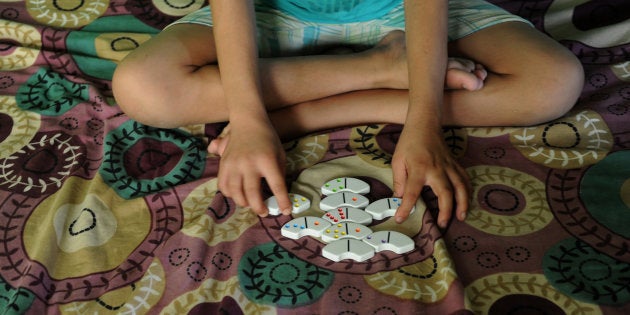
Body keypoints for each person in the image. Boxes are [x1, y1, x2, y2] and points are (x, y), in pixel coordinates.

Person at [112, 0, 583, 228]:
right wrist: (248, 118)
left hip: (407, 12)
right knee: (143, 88)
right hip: (270, 15)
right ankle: (379, 66)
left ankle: (307, 114)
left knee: (553, 82)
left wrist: (423, 121)